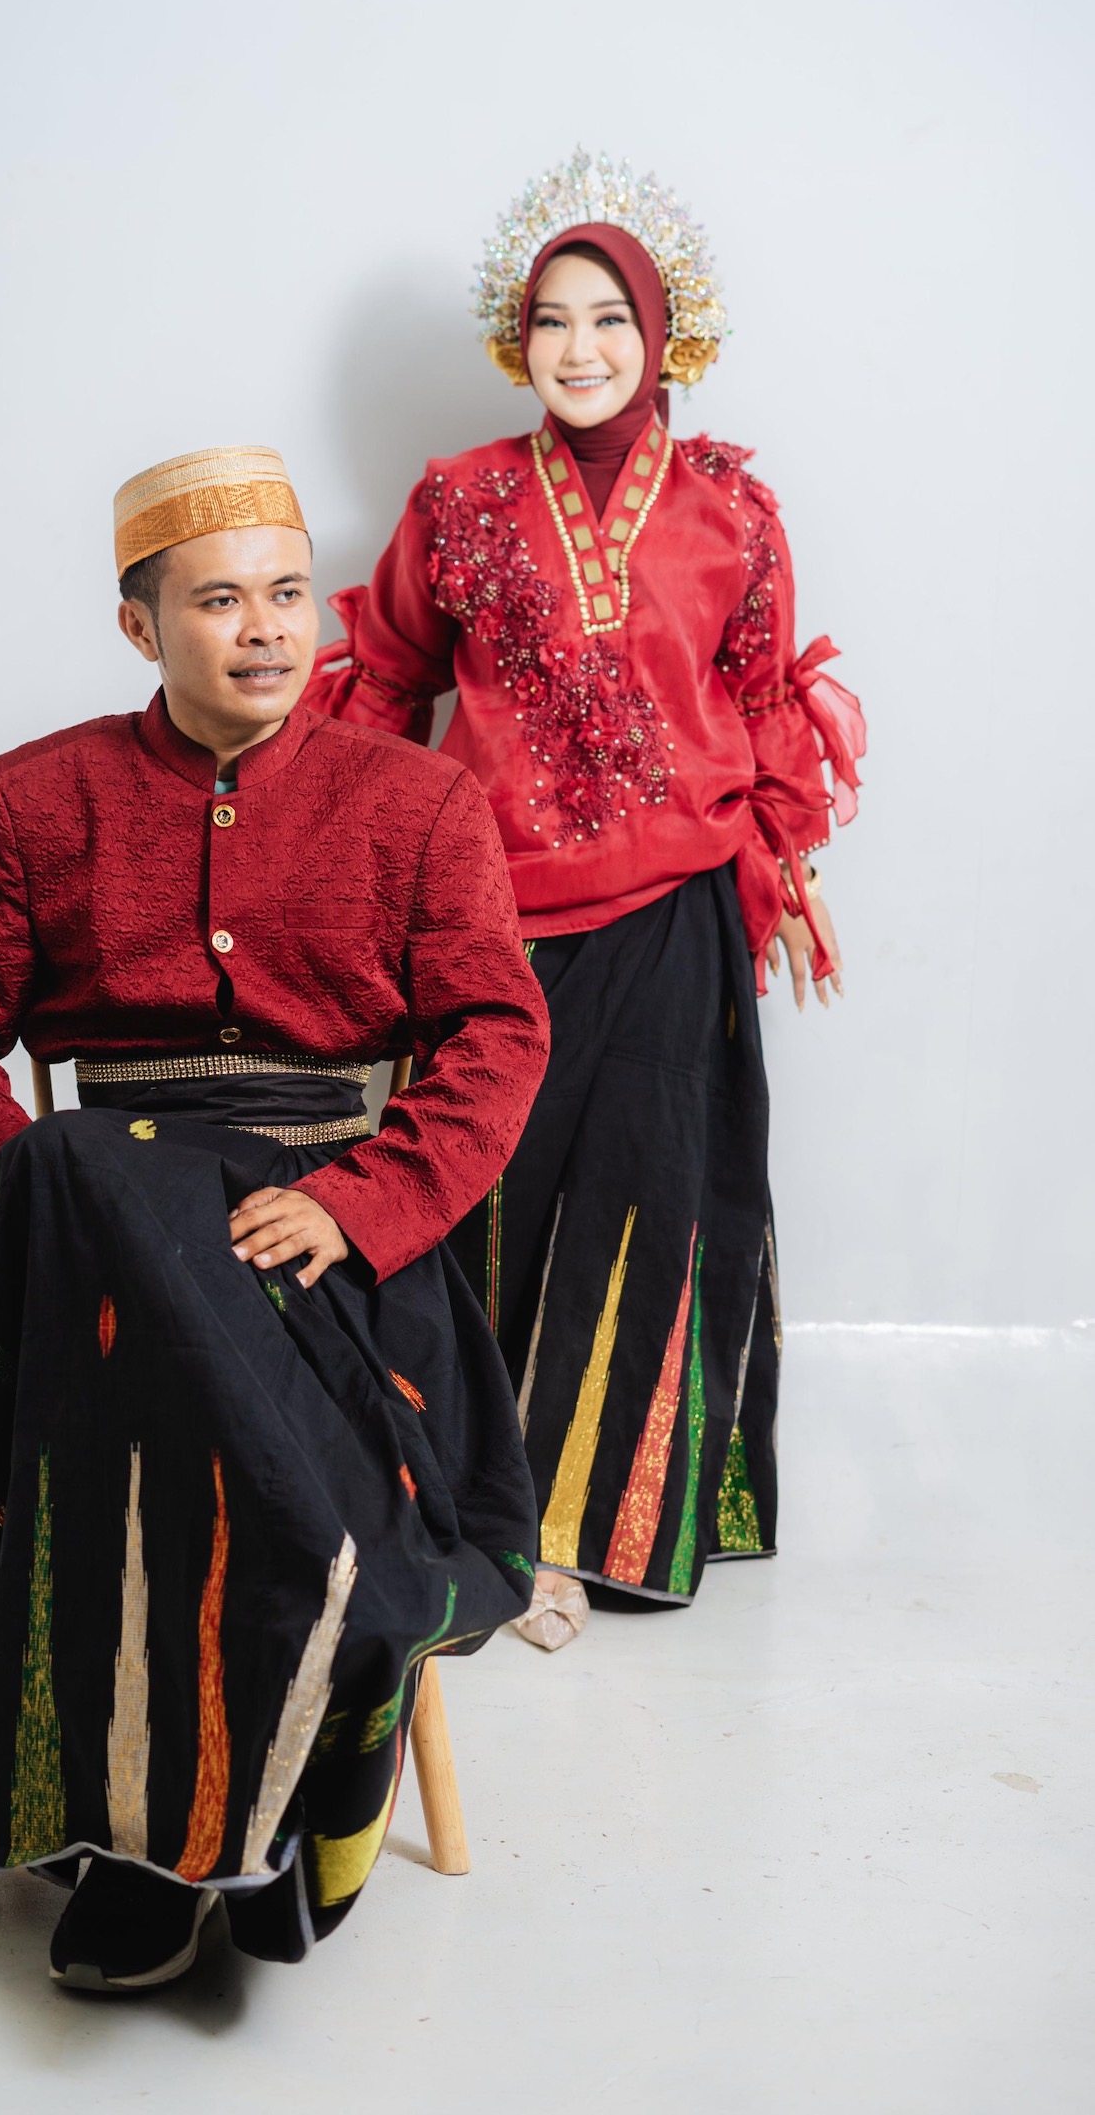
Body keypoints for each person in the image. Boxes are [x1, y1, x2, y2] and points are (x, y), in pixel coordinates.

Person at [0, 445, 548, 1990]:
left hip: (329, 1250)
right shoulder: (31, 800)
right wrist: (25, 1203)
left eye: (291, 594)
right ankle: (169, 1832)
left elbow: (499, 1034)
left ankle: (199, 1826)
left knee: (202, 1405)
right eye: (221, 600)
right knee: (92, 1176)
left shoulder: (418, 800)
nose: (266, 630)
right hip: (107, 1246)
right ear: (140, 625)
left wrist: (362, 1200)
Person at [307, 153, 866, 1646]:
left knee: (648, 1203)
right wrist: (350, 872)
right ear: (520, 338)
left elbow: (760, 705)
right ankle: (485, 1519)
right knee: (484, 1202)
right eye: (552, 319)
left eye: (610, 318)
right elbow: (389, 684)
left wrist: (787, 877)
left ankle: (598, 1530)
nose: (580, 347)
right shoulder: (460, 498)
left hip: (678, 916)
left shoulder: (733, 510)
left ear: (661, 334)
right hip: (492, 919)